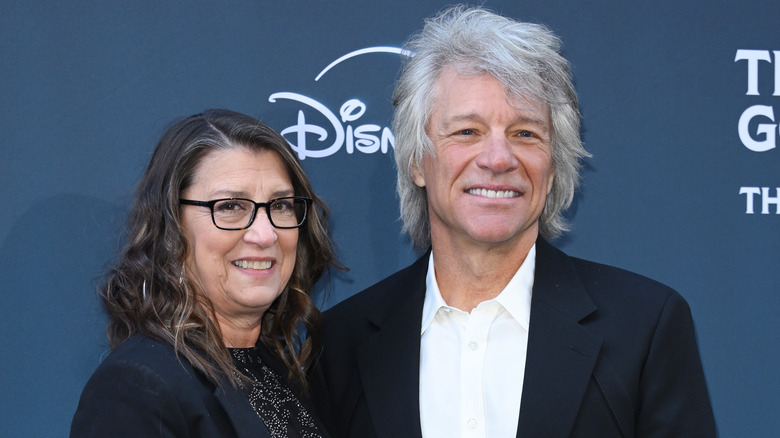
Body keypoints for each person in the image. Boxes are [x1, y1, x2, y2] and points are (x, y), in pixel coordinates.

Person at [312, 6, 717, 438]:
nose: (499, 159)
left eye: (526, 133)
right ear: (416, 161)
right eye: (467, 131)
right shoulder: (341, 342)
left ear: (554, 165)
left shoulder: (644, 326)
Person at [71, 109, 339, 437]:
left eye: (280, 205)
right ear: (171, 226)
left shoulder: (277, 367)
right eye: (229, 206)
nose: (266, 234)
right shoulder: (138, 386)